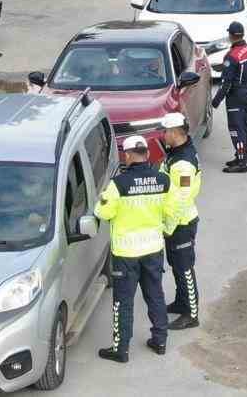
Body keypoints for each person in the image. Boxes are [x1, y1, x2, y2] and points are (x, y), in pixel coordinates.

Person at [96, 135, 176, 363]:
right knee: (155, 294)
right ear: (147, 154)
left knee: (123, 300)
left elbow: (103, 213)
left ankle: (121, 349)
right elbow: (172, 210)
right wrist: (166, 230)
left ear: (128, 156)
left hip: (126, 254)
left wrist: (103, 197)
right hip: (153, 248)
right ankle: (160, 341)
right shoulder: (164, 180)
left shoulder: (118, 184)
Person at [158, 112, 202, 329]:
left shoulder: (183, 164)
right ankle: (180, 301)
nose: (163, 135)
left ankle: (191, 314)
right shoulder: (176, 152)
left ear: (176, 133)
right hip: (175, 221)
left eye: (165, 132)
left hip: (181, 223)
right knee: (176, 265)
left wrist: (168, 226)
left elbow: (182, 199)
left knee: (185, 268)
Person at [211, 22, 247, 173]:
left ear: (231, 35)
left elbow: (226, 83)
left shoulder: (232, 56)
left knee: (236, 129)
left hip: (235, 96)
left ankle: (242, 162)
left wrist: (215, 101)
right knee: (244, 126)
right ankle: (240, 156)